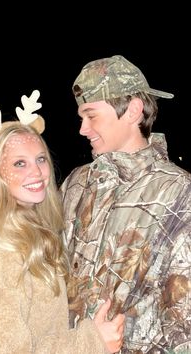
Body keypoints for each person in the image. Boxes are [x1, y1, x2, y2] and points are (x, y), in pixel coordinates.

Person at [0, 91, 125, 353]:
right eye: (19, 163)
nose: (36, 172)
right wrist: (91, 342)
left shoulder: (29, 226)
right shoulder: (2, 247)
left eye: (40, 159)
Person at [60, 55, 191, 353]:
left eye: (91, 116)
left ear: (133, 110)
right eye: (81, 116)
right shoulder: (76, 184)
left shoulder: (179, 193)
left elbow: (183, 321)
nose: (83, 128)